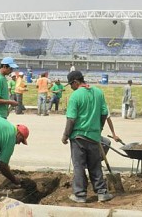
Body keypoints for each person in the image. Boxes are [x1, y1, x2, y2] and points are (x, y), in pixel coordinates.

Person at [61, 70, 113, 203]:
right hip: (94, 137)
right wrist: (99, 128)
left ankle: (80, 195)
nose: (71, 88)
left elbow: (71, 119)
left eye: (71, 85)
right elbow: (104, 114)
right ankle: (102, 193)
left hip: (78, 137)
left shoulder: (75, 96)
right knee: (95, 165)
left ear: (76, 82)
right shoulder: (98, 92)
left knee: (79, 166)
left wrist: (65, 136)